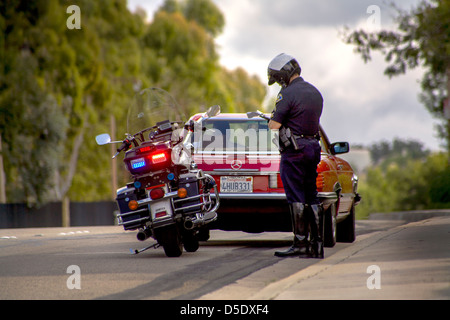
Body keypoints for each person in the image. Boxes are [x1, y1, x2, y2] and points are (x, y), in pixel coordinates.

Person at [267, 53, 324, 259]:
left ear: (282, 76)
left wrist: (272, 116)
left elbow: (274, 125)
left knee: (295, 197)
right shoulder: (315, 92)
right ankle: (317, 244)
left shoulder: (287, 94)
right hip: (313, 148)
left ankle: (300, 243)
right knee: (312, 195)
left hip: (295, 151)